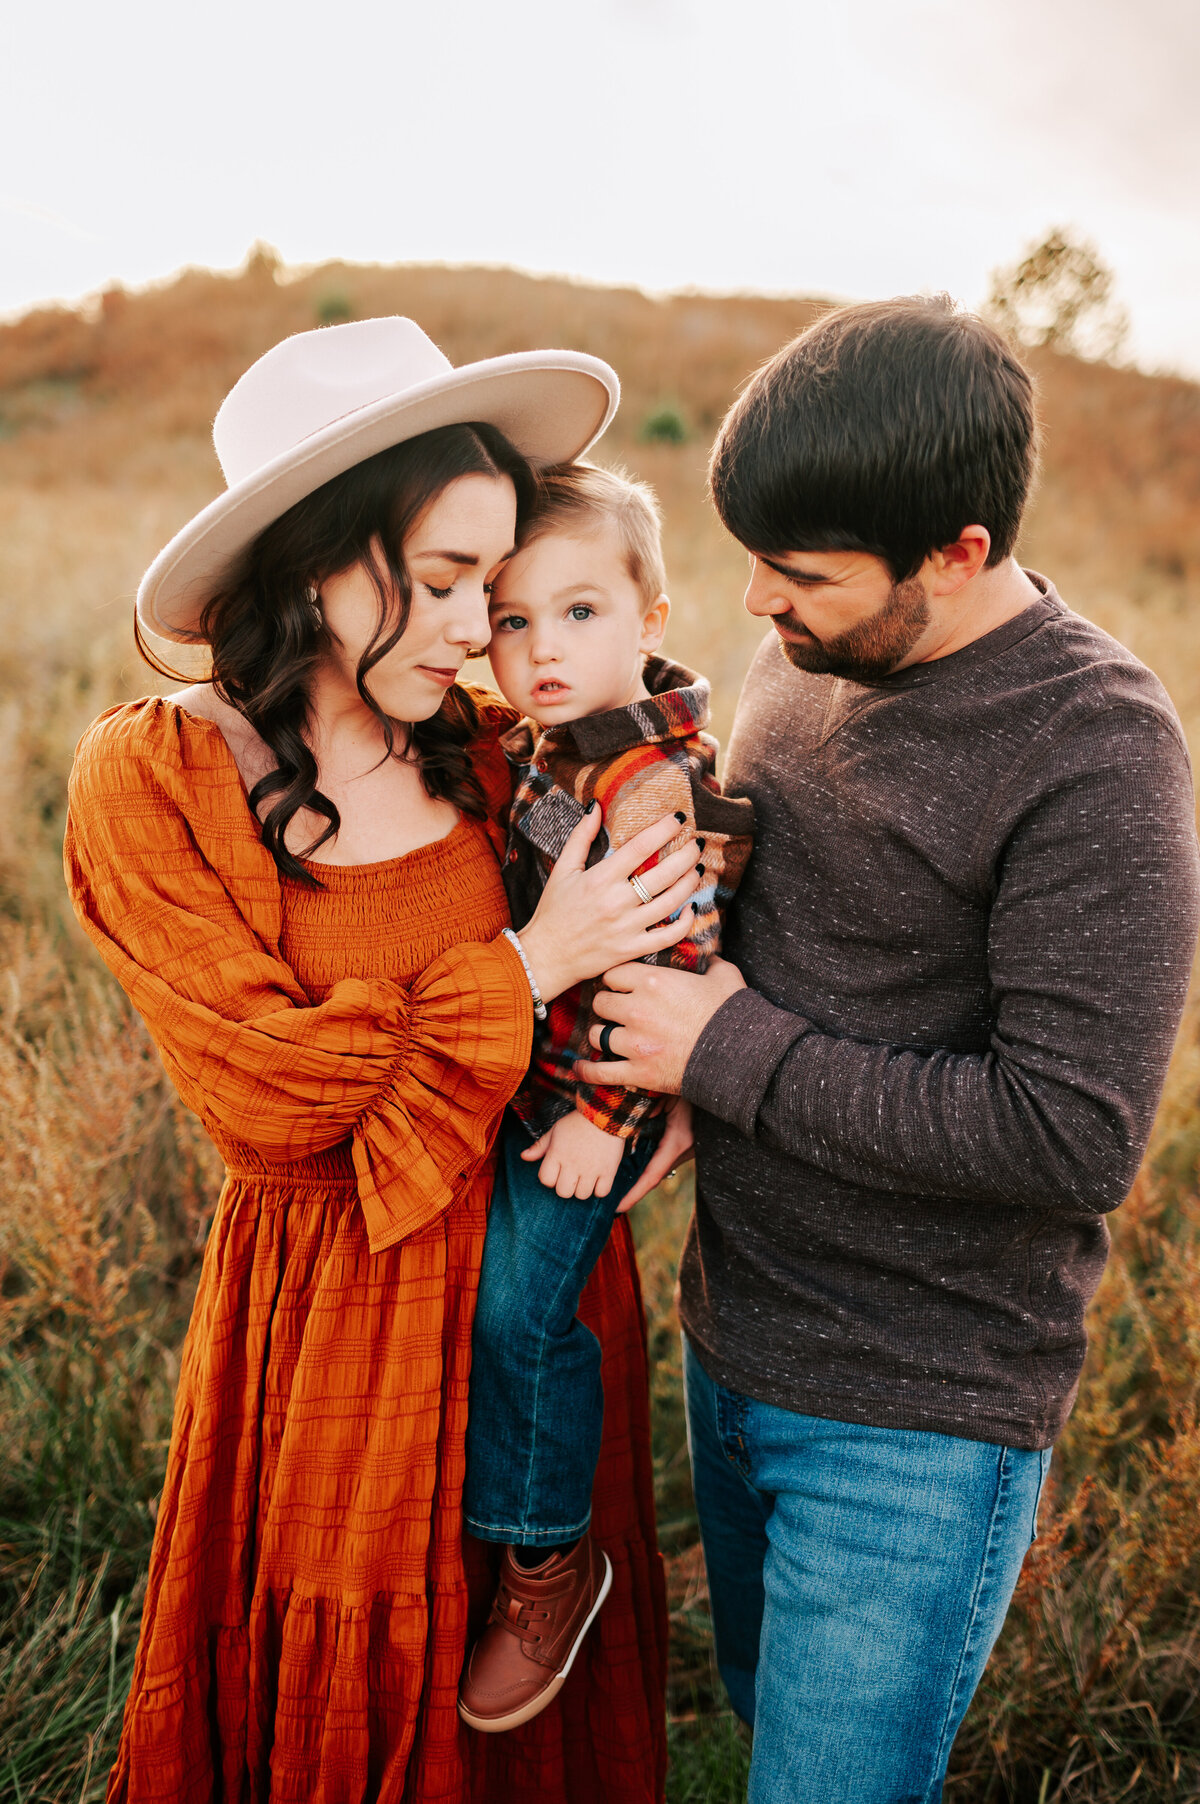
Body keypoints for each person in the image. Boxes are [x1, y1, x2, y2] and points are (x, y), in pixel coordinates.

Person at [64, 316, 697, 1804]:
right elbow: (275, 1098)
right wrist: (534, 964)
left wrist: (675, 1094)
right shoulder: (159, 778)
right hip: (332, 1318)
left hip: (533, 1289)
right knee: (347, 1693)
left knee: (521, 1710)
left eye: (497, 579)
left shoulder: (488, 749)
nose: (488, 627)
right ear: (314, 563)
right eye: (448, 580)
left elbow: (677, 907)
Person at [576, 296, 1200, 1802]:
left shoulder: (1097, 753)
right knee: (754, 1715)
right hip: (731, 1343)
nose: (753, 609)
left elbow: (1068, 1137)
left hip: (911, 1423)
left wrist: (725, 1050)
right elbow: (763, 922)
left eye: (799, 578)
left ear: (960, 553)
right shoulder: (806, 659)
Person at [454, 464, 754, 1732]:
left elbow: (677, 960)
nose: (541, 651)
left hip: (590, 1107)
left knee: (525, 1317)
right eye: (512, 622)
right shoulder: (562, 740)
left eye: (579, 614)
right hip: (545, 1086)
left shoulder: (642, 783)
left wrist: (605, 1120)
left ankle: (547, 1557)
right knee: (502, 1303)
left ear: (652, 613)